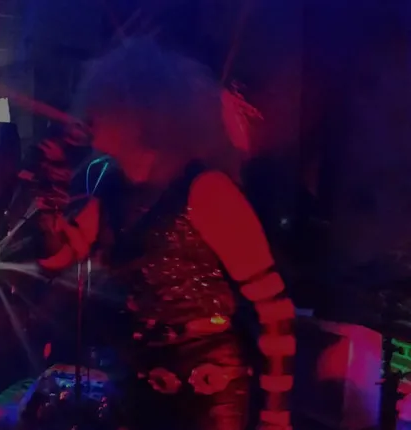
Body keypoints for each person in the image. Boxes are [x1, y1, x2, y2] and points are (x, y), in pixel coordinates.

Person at [33, 39, 295, 430]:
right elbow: (55, 259)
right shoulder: (112, 193)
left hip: (210, 395)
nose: (90, 115)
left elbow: (274, 310)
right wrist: (48, 200)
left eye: (104, 105)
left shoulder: (206, 190)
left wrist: (275, 417)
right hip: (141, 385)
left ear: (139, 116)